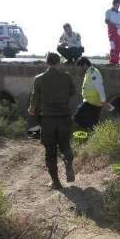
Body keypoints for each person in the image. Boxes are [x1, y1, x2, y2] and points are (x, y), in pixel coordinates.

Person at [28, 52, 76, 190]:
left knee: (50, 150)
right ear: (59, 62)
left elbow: (34, 98)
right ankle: (68, 164)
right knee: (65, 145)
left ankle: (56, 182)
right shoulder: (66, 77)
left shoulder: (39, 79)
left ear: (46, 62)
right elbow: (72, 93)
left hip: (47, 120)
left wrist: (32, 110)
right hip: (64, 118)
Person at [74, 57, 107, 130]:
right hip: (91, 102)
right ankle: (90, 136)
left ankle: (87, 132)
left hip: (92, 103)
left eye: (80, 67)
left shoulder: (93, 72)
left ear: (85, 65)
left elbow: (100, 88)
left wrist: (104, 102)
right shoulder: (89, 72)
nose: (79, 69)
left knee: (77, 117)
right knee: (92, 124)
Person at [105, 0, 120, 65]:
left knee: (119, 47)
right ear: (113, 4)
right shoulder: (108, 11)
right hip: (111, 30)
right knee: (113, 46)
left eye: (118, 5)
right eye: (116, 5)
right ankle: (112, 61)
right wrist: (114, 25)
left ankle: (116, 61)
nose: (117, 6)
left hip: (118, 30)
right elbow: (106, 21)